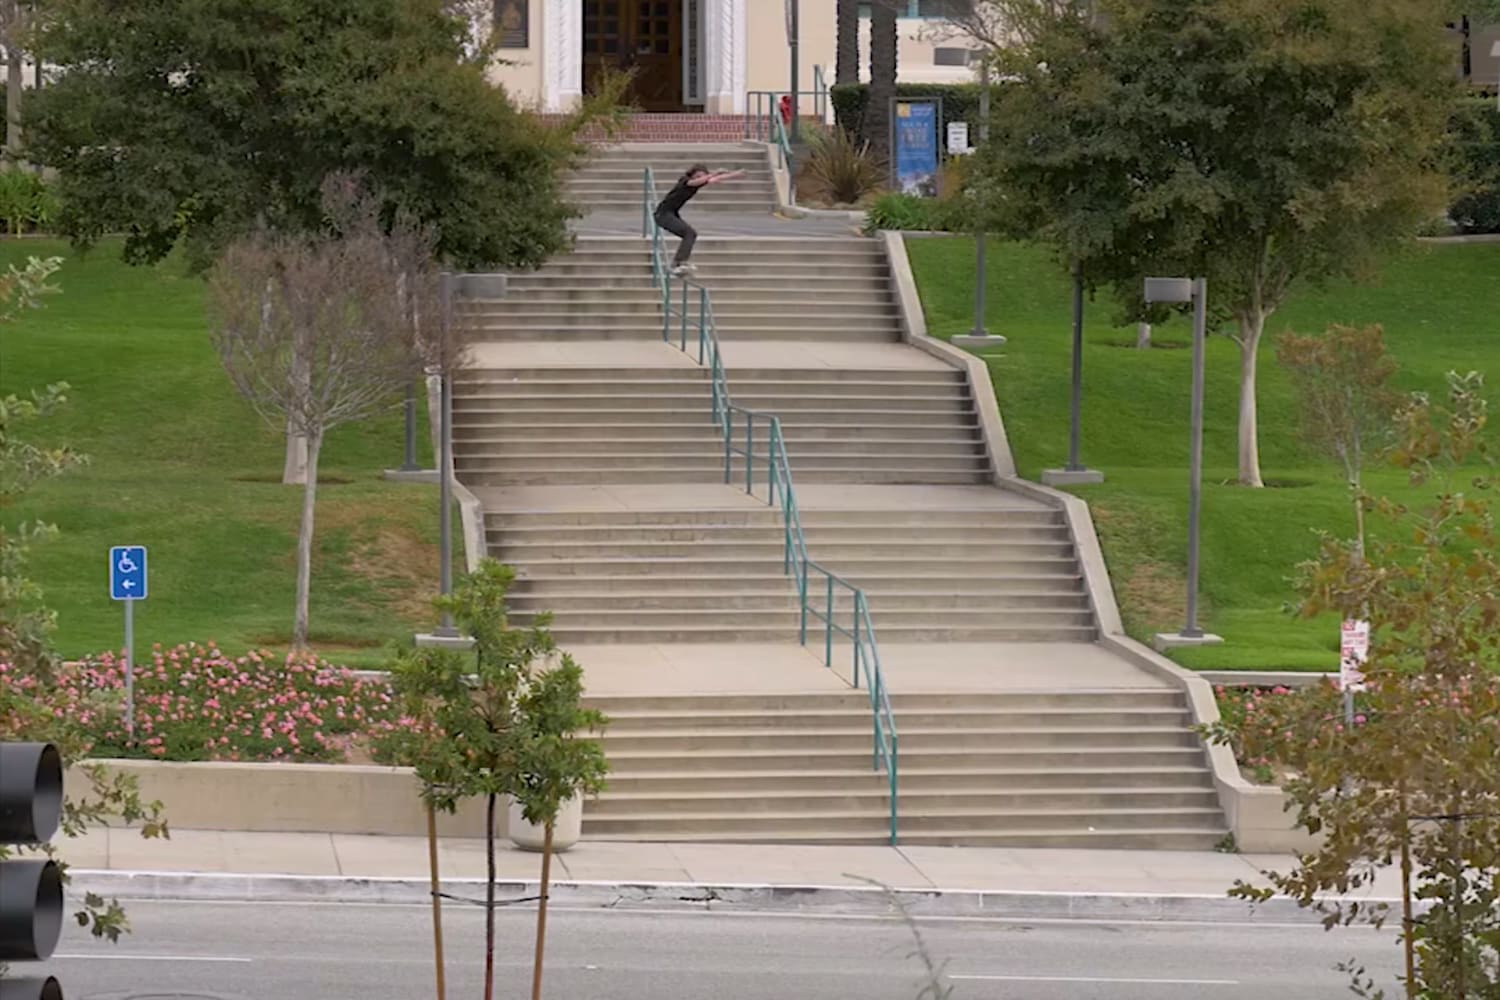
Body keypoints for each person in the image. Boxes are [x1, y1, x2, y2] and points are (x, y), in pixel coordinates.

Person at [654, 164, 746, 276]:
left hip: (671, 214)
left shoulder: (698, 183)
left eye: (702, 176)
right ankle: (677, 263)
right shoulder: (685, 180)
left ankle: (680, 262)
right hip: (662, 214)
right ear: (692, 175)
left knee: (691, 234)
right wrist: (713, 173)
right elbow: (695, 182)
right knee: (689, 233)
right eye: (697, 176)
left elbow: (714, 180)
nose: (700, 179)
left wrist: (735, 174)